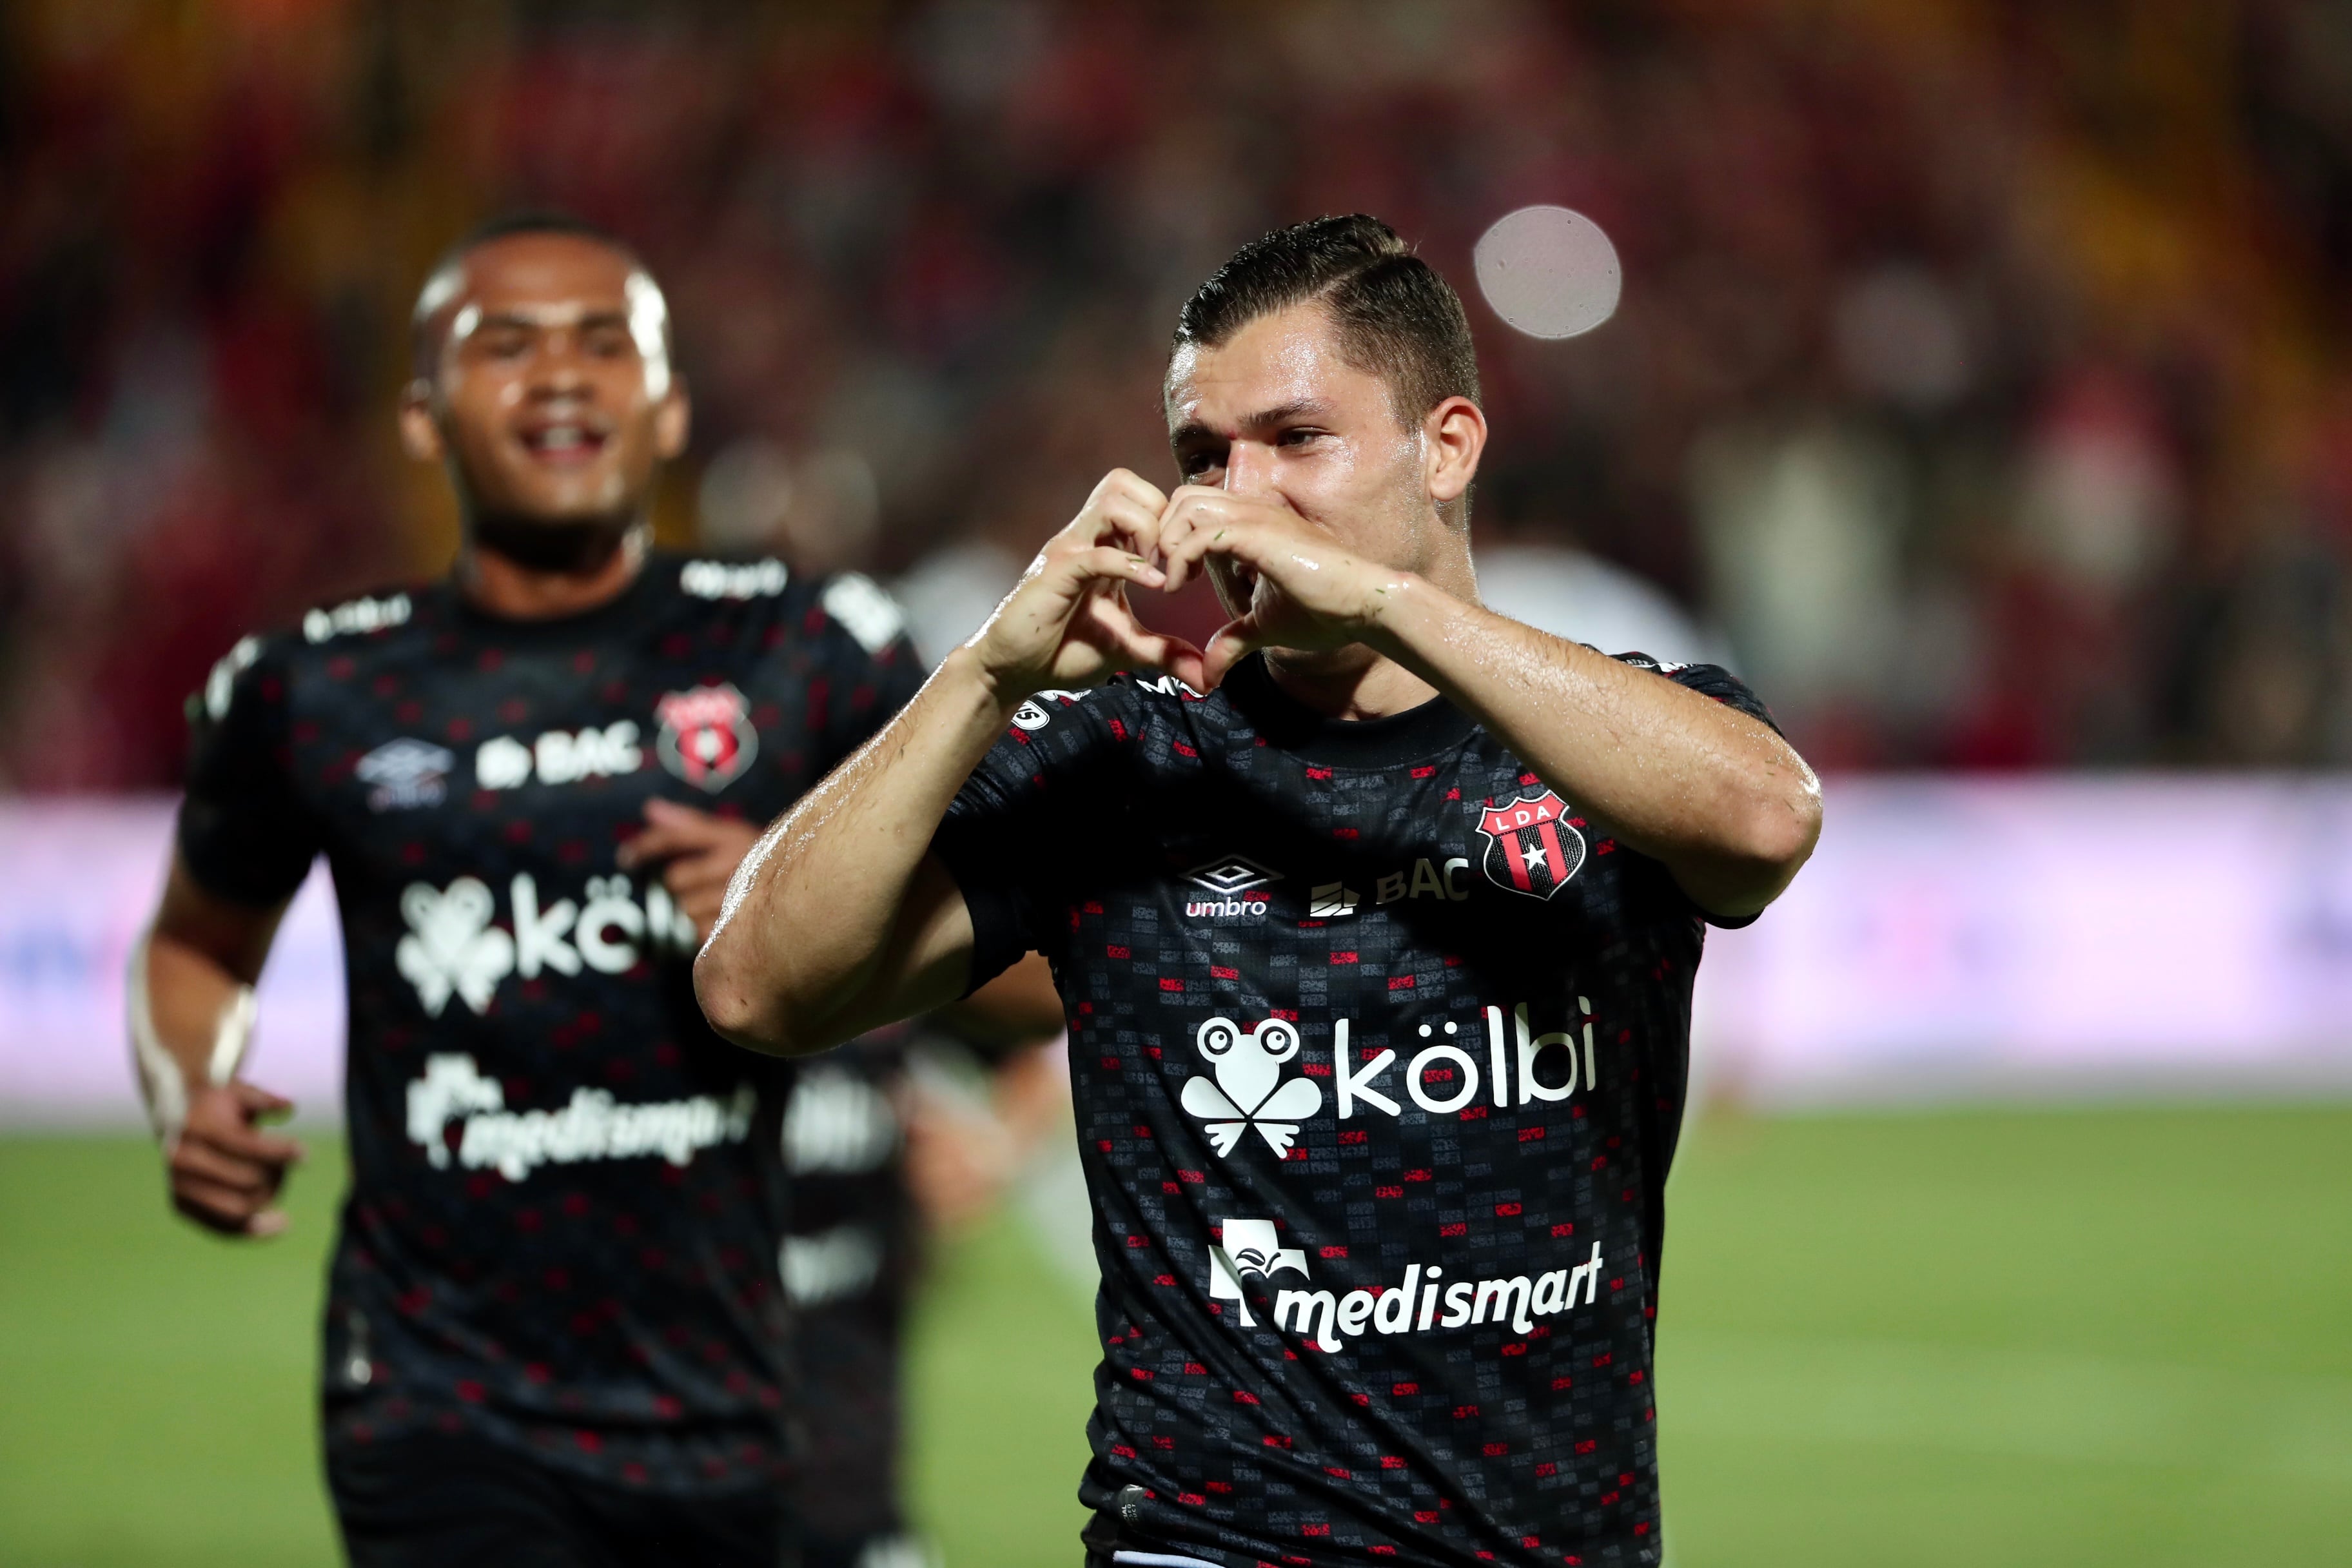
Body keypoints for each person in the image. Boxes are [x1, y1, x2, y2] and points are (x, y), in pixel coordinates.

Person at [696, 215, 1823, 1567]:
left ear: (1447, 446)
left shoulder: (1601, 735)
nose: (1230, 498)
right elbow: (755, 983)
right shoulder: (1125, 764)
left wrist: (1381, 602)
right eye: (1201, 456)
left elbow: (1766, 818)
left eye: (1298, 441)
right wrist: (984, 675)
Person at [128, 210, 1029, 1567]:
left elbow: (1031, 956)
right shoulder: (312, 687)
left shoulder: (810, 650)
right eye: (506, 346)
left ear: (666, 411)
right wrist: (189, 1087)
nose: (559, 375)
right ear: (424, 418)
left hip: (743, 1406)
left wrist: (797, 914)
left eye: (604, 344)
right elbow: (197, 946)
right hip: (434, 1405)